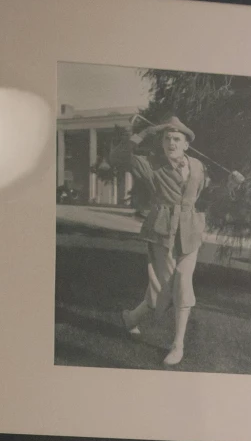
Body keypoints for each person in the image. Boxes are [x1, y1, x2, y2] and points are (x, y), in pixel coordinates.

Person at [101, 115, 243, 367]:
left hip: (190, 232)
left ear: (186, 144)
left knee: (182, 284)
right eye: (167, 138)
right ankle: (131, 318)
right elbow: (118, 158)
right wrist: (145, 133)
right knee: (161, 291)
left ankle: (178, 344)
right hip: (161, 232)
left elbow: (210, 197)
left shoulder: (198, 167)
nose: (171, 143)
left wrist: (231, 186)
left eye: (177, 139)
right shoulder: (151, 165)